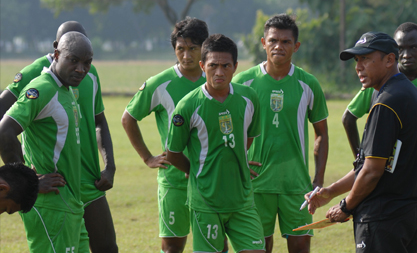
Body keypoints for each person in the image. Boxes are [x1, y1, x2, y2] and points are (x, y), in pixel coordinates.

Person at [0, 21, 118, 253]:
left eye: (87, 62)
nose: (81, 68)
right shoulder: (42, 87)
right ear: (56, 53)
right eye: (73, 60)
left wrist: (110, 165)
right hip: (52, 201)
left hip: (72, 197)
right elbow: (4, 131)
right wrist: (28, 183)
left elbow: (98, 121)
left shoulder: (66, 88)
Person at [307, 32, 417, 252]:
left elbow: (373, 171)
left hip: (383, 217)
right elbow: (372, 164)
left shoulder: (386, 103)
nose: (358, 67)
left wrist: (346, 206)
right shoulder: (408, 92)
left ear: (390, 60)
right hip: (408, 214)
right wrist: (331, 191)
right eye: (356, 60)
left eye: (366, 58)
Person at [341, 22, 417, 240]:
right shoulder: (376, 84)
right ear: (392, 55)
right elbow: (348, 119)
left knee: (411, 234)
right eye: (401, 49)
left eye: (413, 47)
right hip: (383, 170)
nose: (407, 54)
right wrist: (360, 161)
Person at [122, 17, 231, 253]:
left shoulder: (217, 78)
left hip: (212, 181)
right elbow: (128, 117)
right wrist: (147, 157)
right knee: (172, 247)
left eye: (193, 48)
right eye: (180, 48)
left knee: (218, 246)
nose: (186, 55)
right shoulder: (159, 84)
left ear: (204, 47)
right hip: (175, 181)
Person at [232, 14, 329, 253]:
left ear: (295, 46)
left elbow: (321, 134)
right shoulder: (243, 83)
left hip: (297, 186)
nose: (279, 46)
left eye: (286, 42)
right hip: (255, 185)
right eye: (273, 40)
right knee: (258, 248)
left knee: (300, 247)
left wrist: (317, 179)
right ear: (263, 43)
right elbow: (230, 133)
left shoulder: (308, 83)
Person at [166, 34, 265, 253]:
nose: (219, 72)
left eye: (225, 66)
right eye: (213, 65)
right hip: (206, 202)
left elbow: (246, 139)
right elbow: (172, 153)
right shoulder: (187, 106)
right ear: (203, 66)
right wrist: (200, 171)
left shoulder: (249, 98)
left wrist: (235, 161)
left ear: (235, 66)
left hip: (242, 200)